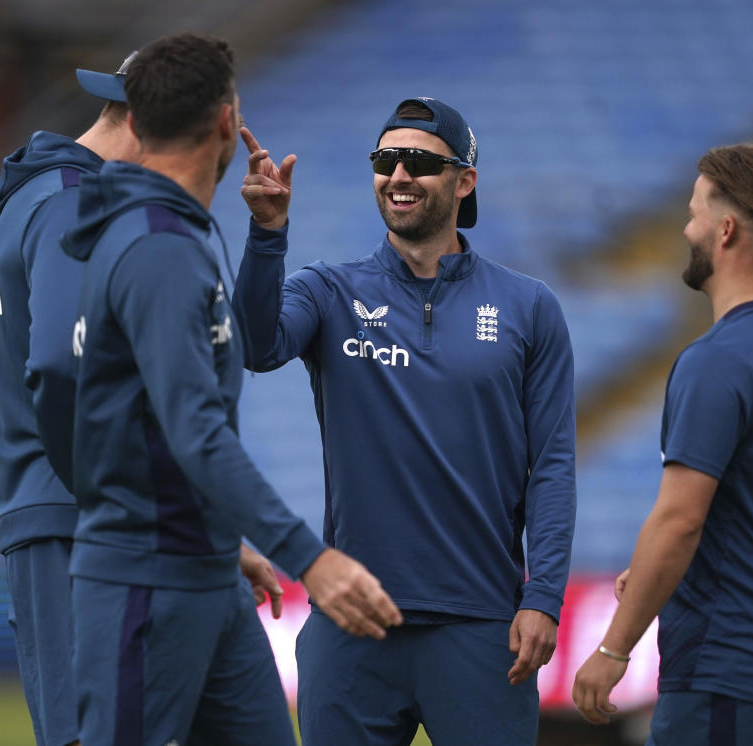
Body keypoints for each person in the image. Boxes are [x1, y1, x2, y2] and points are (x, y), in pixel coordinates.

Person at [62, 33, 401, 746]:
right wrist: (310, 555)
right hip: (148, 584)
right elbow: (194, 429)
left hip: (206, 568)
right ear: (226, 121)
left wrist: (219, 533)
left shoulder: (170, 234)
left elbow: (68, 396)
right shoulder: (155, 247)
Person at [235, 97, 577, 745]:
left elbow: (553, 464)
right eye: (385, 160)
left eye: (418, 162)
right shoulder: (328, 290)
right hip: (351, 624)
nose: (398, 175)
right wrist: (266, 234)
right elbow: (256, 347)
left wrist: (544, 597)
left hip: (482, 627)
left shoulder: (530, 307)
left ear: (464, 180)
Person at [571, 143, 753, 745]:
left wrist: (614, 648)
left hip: (730, 660)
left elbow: (680, 519)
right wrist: (658, 575)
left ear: (725, 229)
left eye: (693, 213)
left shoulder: (716, 361)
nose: (684, 229)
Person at [0, 52, 141, 746]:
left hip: (49, 510)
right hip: (71, 516)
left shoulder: (37, 192)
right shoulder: (74, 201)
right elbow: (58, 362)